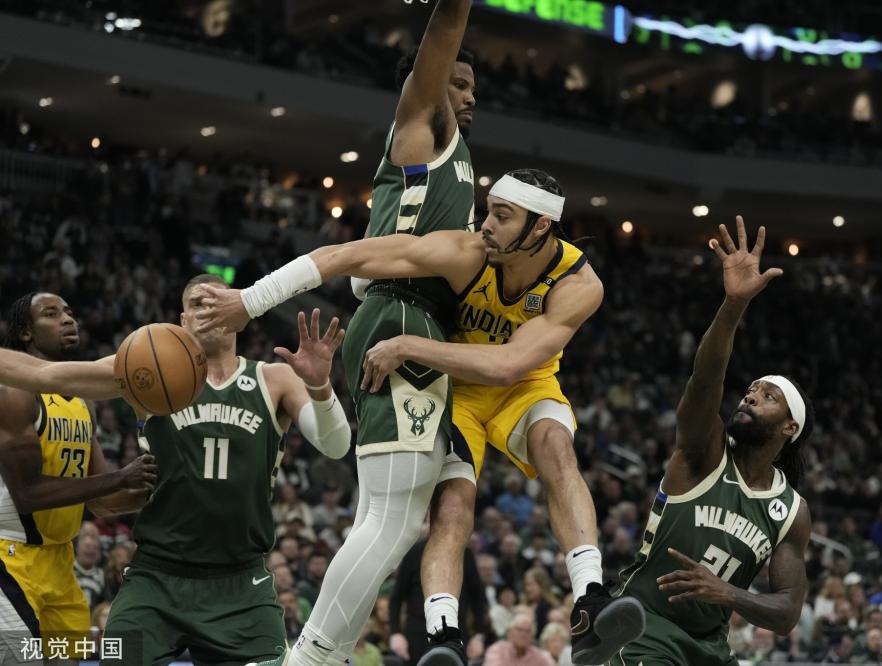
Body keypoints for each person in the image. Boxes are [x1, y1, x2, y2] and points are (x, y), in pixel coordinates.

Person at [194, 168, 645, 665]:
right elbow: (344, 256)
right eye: (488, 210)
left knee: (556, 448)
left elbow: (508, 365)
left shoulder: (579, 283)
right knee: (452, 505)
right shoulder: (467, 251)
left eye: (502, 216)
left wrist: (409, 345)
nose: (486, 224)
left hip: (523, 383)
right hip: (459, 390)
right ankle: (443, 634)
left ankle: (590, 599)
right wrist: (250, 300)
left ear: (540, 227)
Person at [199, 1, 480, 663]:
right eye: (459, 83)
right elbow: (442, 33)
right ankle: (308, 657)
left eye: (474, 89)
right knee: (394, 522)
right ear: (429, 82)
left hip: (409, 321)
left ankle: (328, 655)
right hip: (401, 314)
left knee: (384, 519)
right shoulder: (421, 126)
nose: (469, 97)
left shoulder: (458, 161)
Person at [0, 275, 352, 665]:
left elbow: (336, 445)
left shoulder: (275, 378)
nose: (210, 309)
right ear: (183, 320)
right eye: (199, 303)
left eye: (220, 301)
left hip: (241, 583)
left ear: (242, 313)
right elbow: (46, 375)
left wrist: (320, 388)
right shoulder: (144, 368)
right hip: (155, 579)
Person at [612, 217, 814, 666]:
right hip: (643, 627)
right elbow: (705, 379)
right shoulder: (706, 450)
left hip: (709, 648)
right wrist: (733, 306)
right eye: (751, 390)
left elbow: (787, 612)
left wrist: (729, 593)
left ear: (790, 428)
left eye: (768, 396)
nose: (750, 396)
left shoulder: (790, 511)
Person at [0, 292, 156, 662]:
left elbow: (101, 501)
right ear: (25, 332)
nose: (68, 319)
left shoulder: (81, 401)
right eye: (51, 314)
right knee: (21, 659)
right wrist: (122, 477)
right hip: (9, 557)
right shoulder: (13, 391)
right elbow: (27, 494)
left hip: (60, 563)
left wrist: (153, 488)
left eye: (69, 312)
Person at [482, 612, 554, 666]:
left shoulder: (538, 655)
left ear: (532, 637)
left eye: (528, 631)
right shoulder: (497, 650)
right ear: (509, 633)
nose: (523, 634)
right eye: (519, 630)